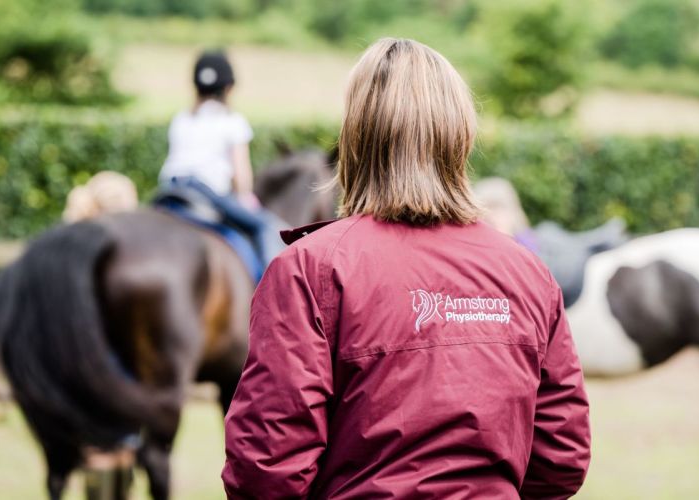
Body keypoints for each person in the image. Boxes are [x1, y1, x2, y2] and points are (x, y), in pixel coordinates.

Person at [222, 38, 590, 498]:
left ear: (356, 137)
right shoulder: (527, 271)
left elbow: (267, 468)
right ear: (460, 134)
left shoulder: (310, 268)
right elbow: (561, 457)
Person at [159, 50, 281, 266]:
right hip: (207, 191)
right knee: (265, 226)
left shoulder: (181, 118)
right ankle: (268, 291)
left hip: (170, 188)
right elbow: (241, 176)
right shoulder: (232, 121)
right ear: (228, 87)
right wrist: (245, 197)